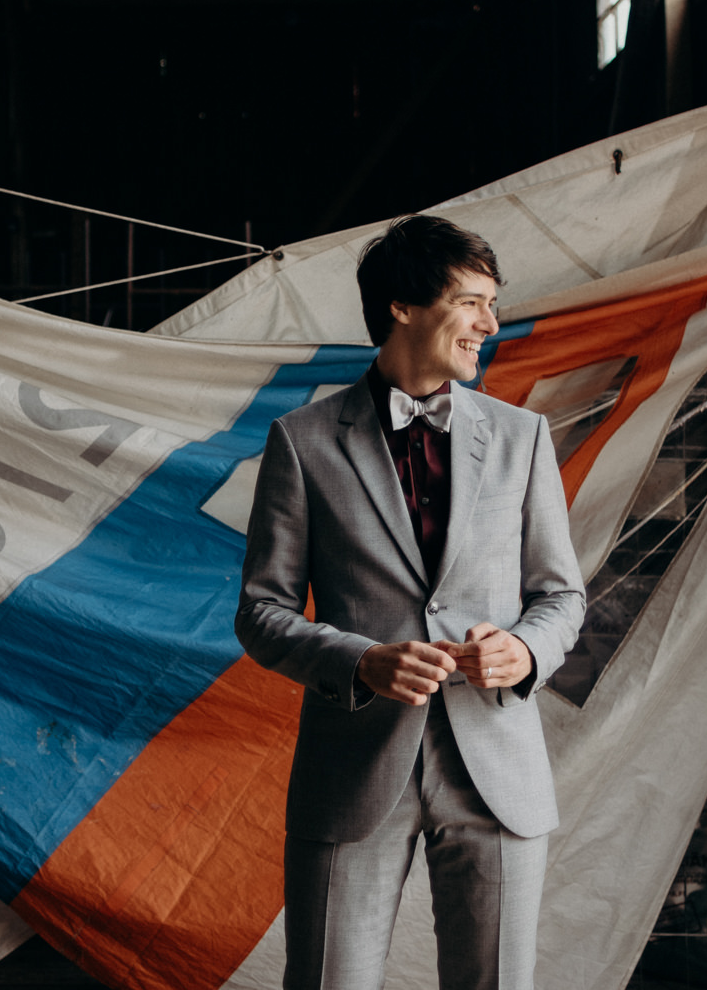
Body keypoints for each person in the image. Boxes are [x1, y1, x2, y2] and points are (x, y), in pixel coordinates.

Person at [236, 215, 585, 990]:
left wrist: (525, 649)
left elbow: (561, 595)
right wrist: (362, 660)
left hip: (497, 765)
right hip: (353, 767)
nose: (490, 324)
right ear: (402, 304)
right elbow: (261, 611)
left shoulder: (524, 436)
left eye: (493, 304)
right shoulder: (302, 440)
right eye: (473, 302)